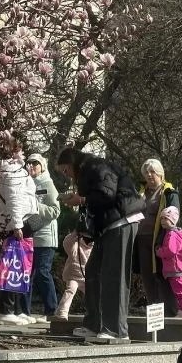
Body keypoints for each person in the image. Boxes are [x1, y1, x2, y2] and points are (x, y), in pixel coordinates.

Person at [58, 147, 144, 344]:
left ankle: (116, 330)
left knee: (114, 276)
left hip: (122, 221)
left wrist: (81, 200)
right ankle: (94, 324)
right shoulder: (91, 169)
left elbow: (107, 194)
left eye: (65, 170)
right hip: (109, 225)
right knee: (93, 271)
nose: (66, 175)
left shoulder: (96, 167)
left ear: (72, 163)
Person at [0, 145, 39, 325]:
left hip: (16, 221)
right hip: (18, 222)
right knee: (14, 266)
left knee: (21, 266)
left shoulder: (8, 168)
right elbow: (14, 198)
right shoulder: (11, 169)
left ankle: (17, 309)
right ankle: (7, 310)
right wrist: (17, 225)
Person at [134, 158, 181, 317]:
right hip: (142, 239)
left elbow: (174, 216)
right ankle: (154, 315)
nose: (149, 175)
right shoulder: (141, 192)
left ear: (160, 173)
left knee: (162, 275)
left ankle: (170, 313)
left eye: (152, 172)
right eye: (146, 172)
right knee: (147, 277)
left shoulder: (168, 192)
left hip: (160, 240)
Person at [24, 153, 60, 323]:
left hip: (45, 238)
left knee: (42, 273)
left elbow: (55, 210)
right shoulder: (25, 184)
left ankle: (51, 311)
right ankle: (24, 312)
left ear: (42, 166)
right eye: (29, 163)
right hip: (28, 236)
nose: (32, 166)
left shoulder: (47, 184)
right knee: (27, 274)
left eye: (35, 163)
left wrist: (35, 205)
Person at [155, 207, 182, 317]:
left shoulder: (172, 234)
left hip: (176, 269)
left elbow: (170, 250)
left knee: (180, 291)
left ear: (173, 220)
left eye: (166, 218)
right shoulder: (177, 233)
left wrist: (159, 251)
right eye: (161, 219)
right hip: (179, 268)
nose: (162, 221)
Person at [52, 220, 93, 321]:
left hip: (86, 276)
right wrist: (76, 233)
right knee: (70, 290)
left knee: (93, 294)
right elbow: (67, 242)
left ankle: (95, 313)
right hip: (73, 276)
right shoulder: (75, 243)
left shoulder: (94, 246)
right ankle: (62, 311)